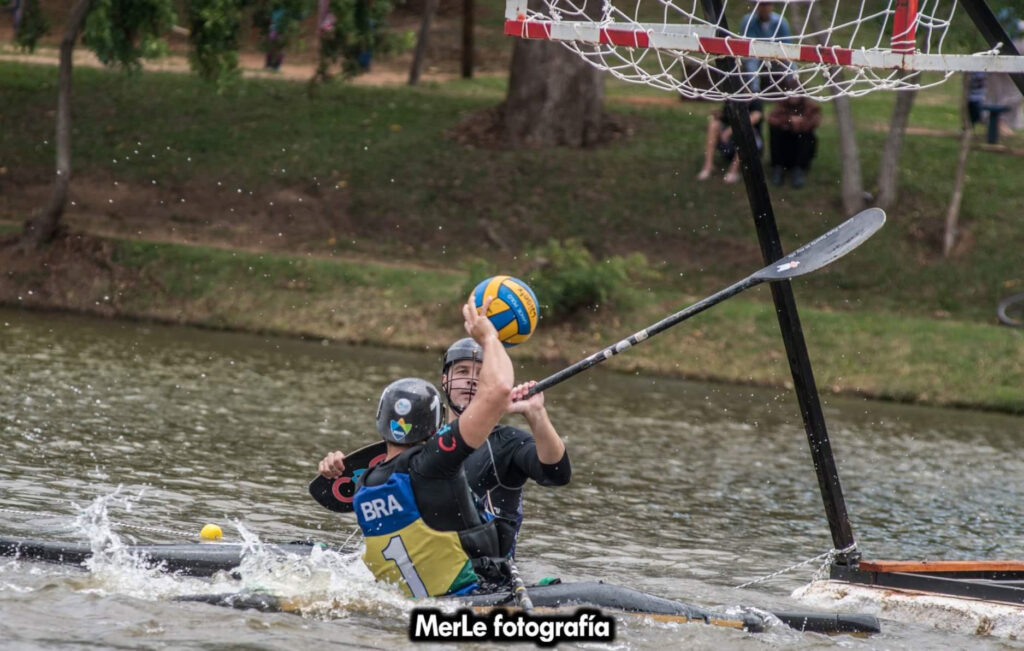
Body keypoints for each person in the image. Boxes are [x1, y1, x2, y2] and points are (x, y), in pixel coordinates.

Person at [318, 296, 514, 598]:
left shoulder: (364, 486)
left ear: (381, 420)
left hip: (407, 602)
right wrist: (489, 338)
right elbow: (499, 391)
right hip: (474, 596)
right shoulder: (436, 462)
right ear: (436, 426)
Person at [440, 337, 571, 556]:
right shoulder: (425, 441)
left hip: (489, 571)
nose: (472, 380)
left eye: (482, 374)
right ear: (445, 381)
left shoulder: (508, 443)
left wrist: (536, 414)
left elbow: (557, 474)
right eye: (463, 371)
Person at [696, 99, 764, 183]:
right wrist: (719, 114)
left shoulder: (755, 101)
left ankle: (733, 171)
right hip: (730, 143)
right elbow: (727, 116)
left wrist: (729, 131)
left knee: (746, 130)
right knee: (714, 124)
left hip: (751, 148)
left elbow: (754, 117)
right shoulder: (732, 98)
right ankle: (708, 165)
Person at [767, 84, 822, 188]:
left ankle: (799, 169)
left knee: (807, 135)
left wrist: (800, 124)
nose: (794, 97)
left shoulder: (810, 106)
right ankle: (778, 167)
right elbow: (771, 119)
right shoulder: (782, 105)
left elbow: (815, 121)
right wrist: (789, 121)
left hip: (801, 144)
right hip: (784, 144)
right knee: (775, 132)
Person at [739, 1, 792, 93]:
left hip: (776, 56)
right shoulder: (748, 20)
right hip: (755, 56)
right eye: (761, 5)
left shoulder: (781, 22)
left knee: (791, 63)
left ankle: (794, 88)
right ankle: (754, 90)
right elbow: (747, 44)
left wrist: (777, 55)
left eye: (767, 4)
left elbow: (787, 45)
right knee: (751, 62)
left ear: (772, 6)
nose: (764, 8)